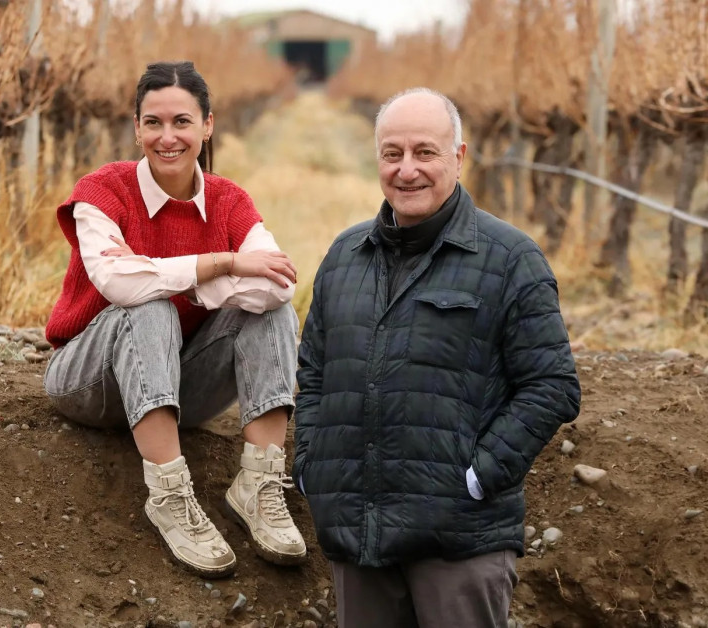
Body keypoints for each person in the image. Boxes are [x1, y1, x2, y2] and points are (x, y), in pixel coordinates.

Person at [292, 87, 581, 627]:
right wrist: (312, 463)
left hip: (459, 540)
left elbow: (553, 385)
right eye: (391, 153)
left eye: (425, 152)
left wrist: (478, 476)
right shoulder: (343, 257)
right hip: (359, 536)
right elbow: (314, 371)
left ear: (459, 156)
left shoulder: (510, 258)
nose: (407, 170)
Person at [43, 61, 306, 579]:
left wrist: (176, 281)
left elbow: (280, 282)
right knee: (148, 306)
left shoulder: (230, 201)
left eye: (182, 122)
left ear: (207, 125)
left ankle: (258, 485)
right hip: (89, 382)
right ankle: (168, 494)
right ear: (137, 126)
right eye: (154, 123)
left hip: (179, 385)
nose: (168, 137)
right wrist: (223, 265)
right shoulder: (103, 190)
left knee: (272, 313)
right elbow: (118, 283)